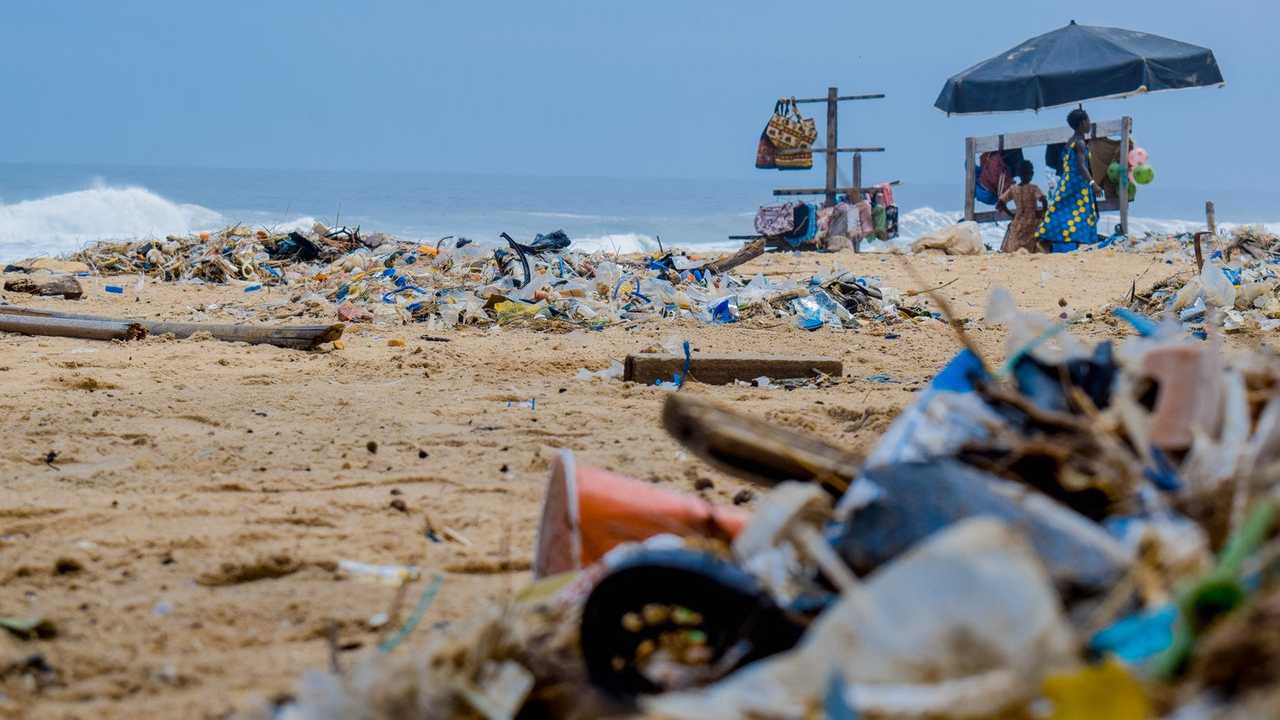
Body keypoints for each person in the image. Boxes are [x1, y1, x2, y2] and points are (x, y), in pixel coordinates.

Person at [1036, 108, 1101, 249]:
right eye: (1088, 120)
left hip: (1066, 182)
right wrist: (1093, 183)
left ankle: (1048, 238)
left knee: (1061, 211)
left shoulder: (1070, 141)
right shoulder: (1080, 143)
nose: (1090, 123)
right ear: (1082, 123)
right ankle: (1083, 242)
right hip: (1078, 184)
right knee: (1083, 214)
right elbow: (1081, 166)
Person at [997, 160, 1047, 253]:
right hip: (1032, 219)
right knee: (1034, 242)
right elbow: (1044, 200)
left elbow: (1000, 203)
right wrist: (1042, 213)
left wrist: (1011, 215)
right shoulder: (1033, 188)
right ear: (1031, 173)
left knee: (1015, 242)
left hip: (1018, 219)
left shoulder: (1013, 188)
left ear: (1019, 174)